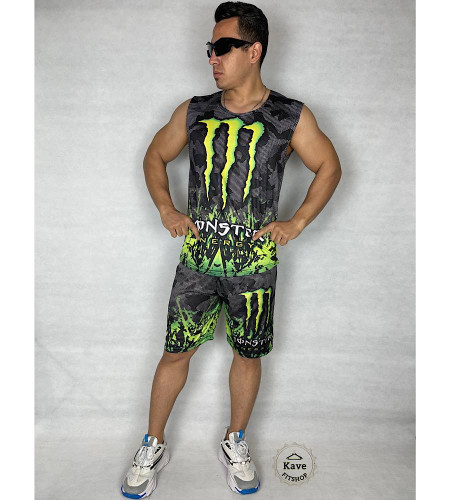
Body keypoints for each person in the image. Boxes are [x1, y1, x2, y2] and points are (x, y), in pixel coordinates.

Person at [121, 1, 342, 497]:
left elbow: (329, 166)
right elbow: (155, 155)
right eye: (210, 47)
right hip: (198, 262)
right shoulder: (195, 110)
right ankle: (152, 444)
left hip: (255, 266)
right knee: (175, 352)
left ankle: (234, 441)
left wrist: (297, 222)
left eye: (223, 47)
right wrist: (167, 209)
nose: (212, 58)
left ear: (254, 51)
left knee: (247, 354)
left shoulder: (289, 115)